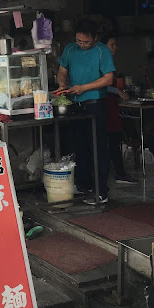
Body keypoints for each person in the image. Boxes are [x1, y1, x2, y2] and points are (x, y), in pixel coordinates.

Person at [56, 18, 115, 204]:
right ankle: (84, 185)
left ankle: (101, 192)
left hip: (95, 104)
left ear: (95, 38)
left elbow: (108, 79)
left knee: (97, 148)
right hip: (76, 105)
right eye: (79, 41)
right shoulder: (70, 48)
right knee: (80, 147)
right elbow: (62, 70)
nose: (82, 45)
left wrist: (84, 88)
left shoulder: (102, 51)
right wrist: (62, 83)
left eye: (86, 42)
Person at [101, 34, 139, 185]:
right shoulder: (102, 62)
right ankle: (119, 172)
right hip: (106, 105)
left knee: (114, 139)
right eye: (112, 44)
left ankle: (118, 172)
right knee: (112, 139)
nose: (115, 48)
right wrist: (118, 92)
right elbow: (102, 84)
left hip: (111, 105)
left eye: (116, 44)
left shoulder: (108, 62)